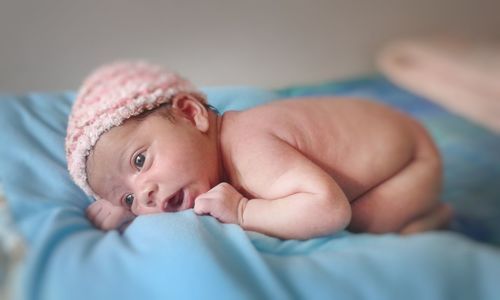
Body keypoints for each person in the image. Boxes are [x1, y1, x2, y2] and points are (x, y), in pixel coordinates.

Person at [66, 61, 453, 240]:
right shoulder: (207, 162)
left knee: (359, 224)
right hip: (386, 132)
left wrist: (244, 211)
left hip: (412, 163)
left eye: (139, 161)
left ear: (191, 113)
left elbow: (331, 210)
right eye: (131, 196)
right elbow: (136, 186)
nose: (144, 192)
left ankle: (428, 220)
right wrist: (120, 200)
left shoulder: (249, 146)